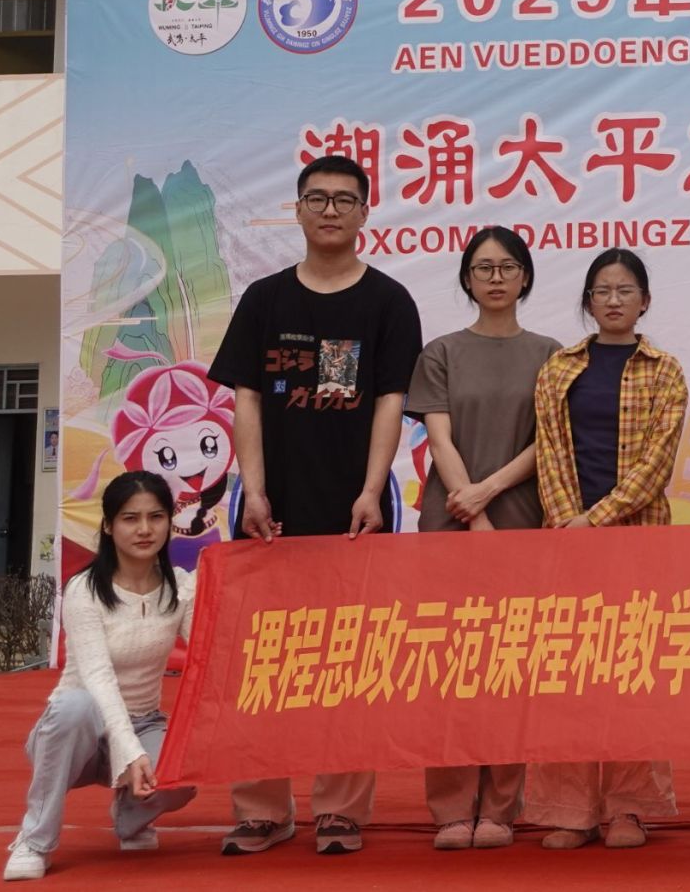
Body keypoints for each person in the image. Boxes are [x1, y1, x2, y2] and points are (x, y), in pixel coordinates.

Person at [208, 154, 421, 856]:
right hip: (269, 505)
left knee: (349, 660)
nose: (331, 210)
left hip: (356, 504)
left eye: (344, 199)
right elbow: (245, 397)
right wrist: (254, 488)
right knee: (260, 660)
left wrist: (371, 489)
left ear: (365, 212)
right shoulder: (265, 300)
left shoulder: (388, 301)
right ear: (297, 209)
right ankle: (262, 808)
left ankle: (340, 809)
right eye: (318, 198)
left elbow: (390, 399)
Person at [405, 227, 559, 851]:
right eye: (483, 268)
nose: (496, 278)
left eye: (507, 267)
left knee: (509, 669)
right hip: (449, 523)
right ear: (467, 279)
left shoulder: (551, 354)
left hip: (521, 521)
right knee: (447, 666)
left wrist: (488, 492)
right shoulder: (441, 352)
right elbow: (438, 438)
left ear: (525, 277)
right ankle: (450, 807)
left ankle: (500, 807)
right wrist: (470, 508)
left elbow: (549, 442)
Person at [525, 248, 684, 850]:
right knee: (568, 674)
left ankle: (629, 808)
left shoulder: (665, 370)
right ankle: (570, 809)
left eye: (625, 290)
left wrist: (595, 521)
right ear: (588, 301)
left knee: (632, 674)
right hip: (566, 543)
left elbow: (656, 465)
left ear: (645, 301)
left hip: (637, 541)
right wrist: (569, 523)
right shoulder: (558, 368)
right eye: (602, 291)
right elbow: (549, 452)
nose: (614, 300)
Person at [3, 472, 198, 881]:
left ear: (169, 522)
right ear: (108, 526)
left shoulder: (179, 588)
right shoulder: (84, 590)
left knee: (183, 773)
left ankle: (130, 817)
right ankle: (34, 840)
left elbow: (210, 649)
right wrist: (132, 755)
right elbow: (98, 678)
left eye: (156, 517)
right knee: (74, 705)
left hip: (144, 721)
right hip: (76, 731)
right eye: (130, 518)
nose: (144, 529)